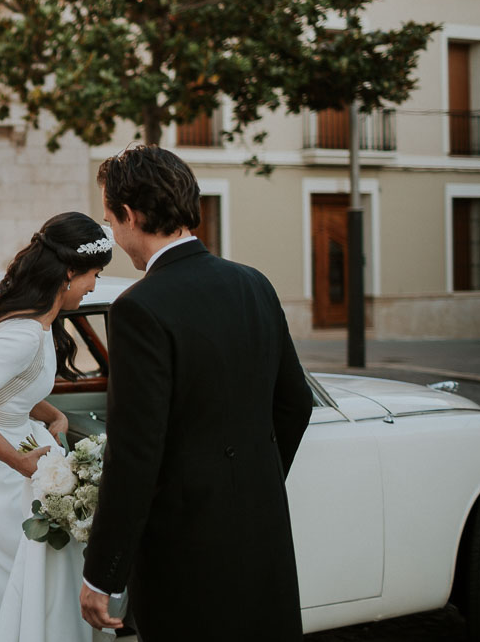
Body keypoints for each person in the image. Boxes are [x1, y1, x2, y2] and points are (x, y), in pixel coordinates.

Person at [79, 145, 314, 641]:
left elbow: (136, 452)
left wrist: (103, 573)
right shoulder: (255, 284)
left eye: (111, 221)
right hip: (262, 529)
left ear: (132, 214)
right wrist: (252, 481)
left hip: (186, 548)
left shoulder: (139, 307)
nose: (115, 237)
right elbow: (295, 402)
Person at [0, 212, 113, 642]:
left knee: (46, 557)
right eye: (94, 275)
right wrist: (18, 462)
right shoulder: (24, 336)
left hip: (16, 443)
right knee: (21, 563)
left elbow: (8, 391)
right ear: (70, 272)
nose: (94, 286)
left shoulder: (39, 326)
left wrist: (48, 413)